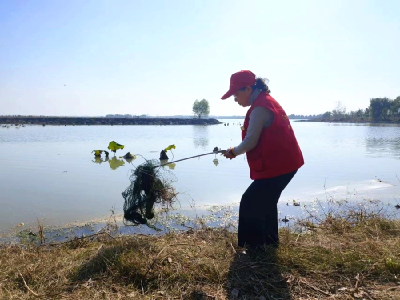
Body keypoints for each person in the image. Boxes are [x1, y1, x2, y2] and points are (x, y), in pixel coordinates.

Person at [221, 70, 304, 249]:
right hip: (286, 163)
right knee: (265, 201)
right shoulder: (265, 101)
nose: (235, 99)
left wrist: (233, 152)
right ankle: (270, 243)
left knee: (250, 202)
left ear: (248, 88)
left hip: (280, 166)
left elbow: (250, 141)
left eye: (236, 94)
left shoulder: (260, 108)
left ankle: (254, 248)